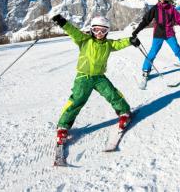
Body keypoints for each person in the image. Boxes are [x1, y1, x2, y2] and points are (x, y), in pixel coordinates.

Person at [52, 14, 140, 146]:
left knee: (112, 93)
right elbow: (73, 31)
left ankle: (124, 112)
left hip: (99, 77)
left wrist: (130, 41)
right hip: (83, 77)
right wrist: (63, 23)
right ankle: (63, 126)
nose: (99, 33)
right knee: (76, 100)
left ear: (107, 31)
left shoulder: (108, 44)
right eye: (96, 30)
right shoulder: (84, 40)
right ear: (91, 30)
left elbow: (119, 43)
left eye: (103, 30)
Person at [132, 0, 180, 89]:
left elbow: (179, 19)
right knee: (152, 53)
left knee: (177, 50)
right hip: (158, 34)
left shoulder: (171, 8)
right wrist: (137, 30)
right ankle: (146, 71)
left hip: (169, 34)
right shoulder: (155, 8)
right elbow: (146, 20)